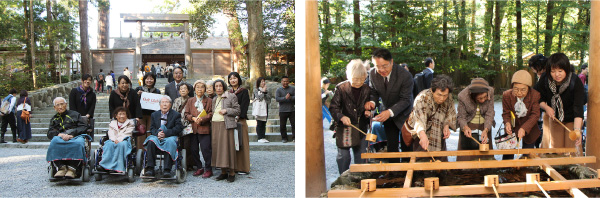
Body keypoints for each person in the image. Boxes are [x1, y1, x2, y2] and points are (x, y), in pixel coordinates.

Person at [364, 48, 414, 163]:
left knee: (407, 146)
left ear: (392, 61)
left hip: (405, 114)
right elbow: (374, 92)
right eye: (378, 66)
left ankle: (408, 173)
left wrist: (390, 112)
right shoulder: (372, 73)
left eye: (385, 66)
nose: (381, 70)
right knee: (391, 146)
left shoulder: (404, 75)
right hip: (386, 114)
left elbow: (406, 99)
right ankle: (394, 175)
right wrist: (372, 103)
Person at [534, 53, 584, 150]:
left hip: (572, 119)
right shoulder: (545, 78)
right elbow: (538, 97)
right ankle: (558, 165)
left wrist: (577, 131)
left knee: (572, 149)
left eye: (560, 71)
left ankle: (574, 165)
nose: (557, 75)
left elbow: (578, 108)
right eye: (553, 71)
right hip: (555, 119)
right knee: (556, 149)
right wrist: (546, 107)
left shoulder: (575, 81)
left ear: (566, 69)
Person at [329, 59, 370, 174]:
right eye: (355, 79)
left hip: (360, 126)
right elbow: (333, 107)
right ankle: (343, 179)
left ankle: (359, 179)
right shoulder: (341, 88)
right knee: (344, 156)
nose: (358, 82)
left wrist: (369, 110)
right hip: (344, 127)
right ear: (348, 76)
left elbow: (372, 103)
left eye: (362, 79)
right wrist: (341, 117)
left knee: (361, 156)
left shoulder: (367, 89)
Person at [406, 75, 456, 161]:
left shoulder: (449, 97)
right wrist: (422, 135)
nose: (442, 98)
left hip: (439, 134)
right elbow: (419, 119)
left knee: (441, 165)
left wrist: (446, 125)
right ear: (432, 91)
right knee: (422, 166)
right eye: (439, 95)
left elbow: (450, 113)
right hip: (422, 133)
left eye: (445, 95)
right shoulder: (422, 98)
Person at [502, 70, 541, 159]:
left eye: (523, 90)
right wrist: (507, 123)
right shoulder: (507, 95)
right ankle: (507, 170)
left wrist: (524, 128)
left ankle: (525, 171)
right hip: (512, 129)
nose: (519, 93)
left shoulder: (535, 95)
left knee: (527, 156)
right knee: (507, 156)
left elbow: (535, 115)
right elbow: (506, 113)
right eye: (516, 89)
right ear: (512, 86)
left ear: (529, 88)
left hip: (530, 128)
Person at [46, 97, 89, 178]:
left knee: (78, 143)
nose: (60, 107)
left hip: (75, 135)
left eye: (62, 104)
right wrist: (60, 135)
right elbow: (50, 132)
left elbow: (83, 126)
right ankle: (61, 167)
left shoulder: (75, 114)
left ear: (66, 104)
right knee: (54, 142)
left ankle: (72, 168)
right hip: (60, 137)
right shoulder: (54, 119)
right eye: (57, 105)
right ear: (54, 108)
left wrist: (72, 134)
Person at [143, 96, 183, 178]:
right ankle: (150, 168)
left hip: (169, 136)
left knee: (169, 142)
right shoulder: (154, 114)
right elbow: (152, 128)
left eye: (167, 102)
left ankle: (167, 169)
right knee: (151, 141)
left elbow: (178, 128)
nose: (164, 104)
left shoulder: (176, 115)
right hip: (157, 136)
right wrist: (158, 133)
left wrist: (166, 133)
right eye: (162, 102)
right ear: (159, 104)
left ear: (170, 104)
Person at [456, 78, 495, 161]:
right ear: (473, 96)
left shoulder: (490, 91)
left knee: (485, 153)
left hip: (484, 125)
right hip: (469, 125)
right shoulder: (463, 96)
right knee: (468, 155)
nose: (483, 100)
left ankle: (485, 170)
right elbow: (461, 116)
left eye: (485, 97)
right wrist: (465, 127)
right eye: (480, 99)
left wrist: (486, 129)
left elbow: (490, 113)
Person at [211, 79, 241, 182]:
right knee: (218, 149)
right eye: (216, 86)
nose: (218, 88)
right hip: (215, 125)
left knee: (228, 148)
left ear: (223, 86)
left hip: (226, 125)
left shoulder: (231, 96)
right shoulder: (214, 99)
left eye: (220, 86)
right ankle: (223, 172)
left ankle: (232, 172)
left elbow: (237, 110)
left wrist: (226, 110)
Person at [184, 80, 214, 178]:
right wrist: (192, 118)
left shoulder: (209, 100)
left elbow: (210, 113)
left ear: (205, 89)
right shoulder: (190, 100)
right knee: (194, 149)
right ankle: (199, 167)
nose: (199, 89)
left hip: (204, 128)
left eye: (202, 87)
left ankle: (209, 169)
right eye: (197, 87)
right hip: (193, 129)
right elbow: (186, 114)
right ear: (194, 89)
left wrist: (202, 119)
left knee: (206, 149)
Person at [227, 72, 251, 174]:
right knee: (233, 144)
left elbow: (244, 106)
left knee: (242, 144)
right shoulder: (228, 93)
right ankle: (234, 167)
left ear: (238, 79)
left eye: (235, 78)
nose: (233, 80)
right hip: (230, 120)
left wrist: (238, 117)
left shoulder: (244, 91)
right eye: (231, 79)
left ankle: (244, 168)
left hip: (240, 120)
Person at [99, 106, 134, 172]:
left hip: (124, 140)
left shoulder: (130, 123)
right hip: (113, 140)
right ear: (116, 116)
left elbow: (128, 133)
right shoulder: (112, 123)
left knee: (120, 145)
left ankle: (117, 167)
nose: (122, 116)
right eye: (120, 114)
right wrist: (114, 139)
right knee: (108, 144)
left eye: (124, 114)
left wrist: (119, 140)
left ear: (127, 115)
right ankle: (105, 165)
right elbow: (111, 133)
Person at [134, 72, 161, 149]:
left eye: (151, 78)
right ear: (144, 80)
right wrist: (138, 95)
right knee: (141, 134)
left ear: (154, 80)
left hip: (152, 116)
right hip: (141, 115)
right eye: (147, 79)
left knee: (150, 133)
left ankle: (150, 151)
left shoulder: (157, 91)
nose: (149, 80)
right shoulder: (138, 89)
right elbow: (134, 102)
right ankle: (140, 153)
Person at [172, 82, 193, 169]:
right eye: (181, 89)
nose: (183, 90)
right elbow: (173, 112)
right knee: (179, 144)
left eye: (185, 88)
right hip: (178, 125)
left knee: (188, 145)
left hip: (188, 125)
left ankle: (189, 164)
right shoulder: (176, 100)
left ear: (188, 90)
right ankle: (179, 162)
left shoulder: (192, 100)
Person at [276, 76, 295, 143]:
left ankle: (294, 137)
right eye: (284, 81)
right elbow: (277, 99)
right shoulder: (279, 90)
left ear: (288, 82)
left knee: (294, 124)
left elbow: (296, 97)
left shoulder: (292, 89)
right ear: (281, 82)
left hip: (292, 110)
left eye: (287, 81)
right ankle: (284, 138)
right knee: (282, 125)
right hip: (282, 110)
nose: (285, 82)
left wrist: (290, 98)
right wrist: (285, 98)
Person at [253, 77, 271, 143]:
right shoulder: (256, 90)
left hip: (265, 108)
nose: (263, 83)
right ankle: (259, 137)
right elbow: (259, 98)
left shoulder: (267, 90)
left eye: (264, 81)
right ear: (258, 83)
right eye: (261, 82)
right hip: (258, 109)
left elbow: (269, 100)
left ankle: (263, 136)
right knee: (259, 123)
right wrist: (263, 91)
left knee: (264, 123)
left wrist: (265, 92)